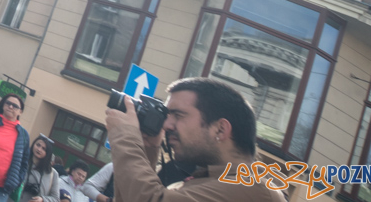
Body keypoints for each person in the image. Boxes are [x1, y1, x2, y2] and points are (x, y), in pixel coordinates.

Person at [104, 77, 286, 202]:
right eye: (167, 115)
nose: (167, 125)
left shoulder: (254, 190)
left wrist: (125, 135)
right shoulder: (207, 183)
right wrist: (148, 149)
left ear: (220, 129)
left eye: (178, 115)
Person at [21, 137, 65, 202]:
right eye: (38, 145)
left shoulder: (53, 173)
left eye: (43, 149)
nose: (39, 149)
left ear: (48, 153)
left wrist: (42, 199)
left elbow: (56, 199)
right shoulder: (21, 162)